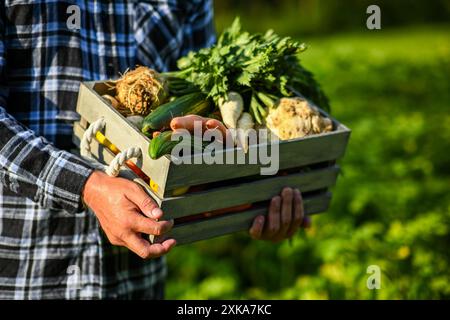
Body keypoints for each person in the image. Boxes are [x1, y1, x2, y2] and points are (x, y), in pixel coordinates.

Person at [0, 0, 306, 299]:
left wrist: (247, 199)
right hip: (27, 268)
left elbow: (206, 85)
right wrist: (87, 186)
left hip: (138, 279)